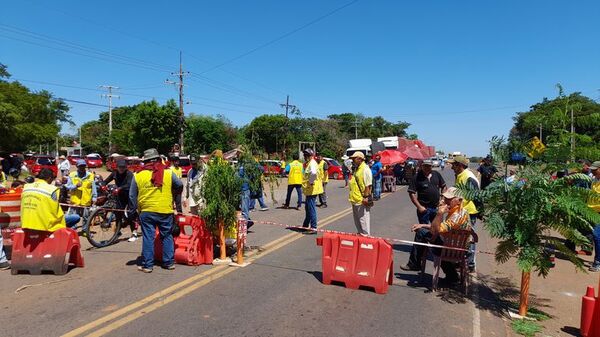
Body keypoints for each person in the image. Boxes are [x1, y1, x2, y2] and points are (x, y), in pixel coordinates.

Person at [400, 187, 476, 285]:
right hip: (457, 248)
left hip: (451, 249)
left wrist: (439, 213)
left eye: (449, 199)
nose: (445, 201)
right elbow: (440, 227)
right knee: (425, 232)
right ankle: (452, 276)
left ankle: (414, 263)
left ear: (459, 200)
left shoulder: (456, 216)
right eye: (445, 198)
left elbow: (434, 230)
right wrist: (423, 225)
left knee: (421, 233)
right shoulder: (460, 211)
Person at [129, 148, 183, 273]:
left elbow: (132, 196)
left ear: (145, 161)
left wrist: (133, 211)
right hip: (165, 209)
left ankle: (148, 265)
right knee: (166, 235)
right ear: (158, 159)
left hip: (146, 211)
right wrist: (173, 194)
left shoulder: (138, 175)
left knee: (148, 237)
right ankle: (169, 263)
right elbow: (179, 185)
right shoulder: (168, 172)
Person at [21, 168, 81, 232]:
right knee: (76, 217)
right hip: (45, 224)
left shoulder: (26, 187)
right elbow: (56, 210)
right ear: (49, 178)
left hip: (26, 222)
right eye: (53, 178)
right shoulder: (53, 190)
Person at [447, 155, 480, 272]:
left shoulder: (468, 177)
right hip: (460, 211)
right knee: (459, 237)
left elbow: (473, 196)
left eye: (453, 165)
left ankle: (470, 264)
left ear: (460, 165)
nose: (451, 167)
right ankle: (461, 259)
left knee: (469, 238)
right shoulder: (460, 175)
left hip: (469, 212)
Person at [103, 159, 136, 241]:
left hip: (129, 195)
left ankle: (134, 233)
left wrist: (120, 188)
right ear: (117, 167)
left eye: (123, 167)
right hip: (120, 195)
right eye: (120, 167)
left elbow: (129, 184)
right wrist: (103, 185)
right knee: (118, 213)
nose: (121, 169)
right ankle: (118, 231)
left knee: (130, 214)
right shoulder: (114, 173)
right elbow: (106, 180)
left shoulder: (129, 174)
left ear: (126, 167)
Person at [66, 159, 97, 230]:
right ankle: (73, 230)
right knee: (73, 217)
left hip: (86, 200)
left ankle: (85, 230)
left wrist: (94, 197)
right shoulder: (72, 175)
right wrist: (75, 186)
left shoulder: (90, 175)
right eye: (80, 166)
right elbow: (68, 186)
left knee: (86, 217)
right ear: (77, 166)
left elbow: (93, 188)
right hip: (75, 200)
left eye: (83, 166)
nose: (82, 168)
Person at [348, 151, 373, 235]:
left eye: (354, 158)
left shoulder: (365, 169)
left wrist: (365, 197)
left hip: (361, 200)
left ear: (359, 159)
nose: (352, 160)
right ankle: (360, 234)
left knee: (363, 221)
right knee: (357, 220)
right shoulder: (357, 168)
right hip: (355, 198)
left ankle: (366, 238)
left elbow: (368, 185)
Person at [301, 148, 323, 233]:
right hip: (310, 190)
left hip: (312, 189)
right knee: (308, 208)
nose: (304, 157)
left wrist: (310, 182)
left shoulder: (312, 163)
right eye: (304, 155)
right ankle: (305, 225)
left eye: (305, 155)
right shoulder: (310, 163)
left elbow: (313, 173)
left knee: (311, 208)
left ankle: (313, 227)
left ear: (309, 156)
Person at [587, 161, 600, 272]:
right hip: (591, 212)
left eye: (596, 169)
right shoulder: (594, 180)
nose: (593, 171)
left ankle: (598, 262)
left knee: (596, 235)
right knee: (592, 235)